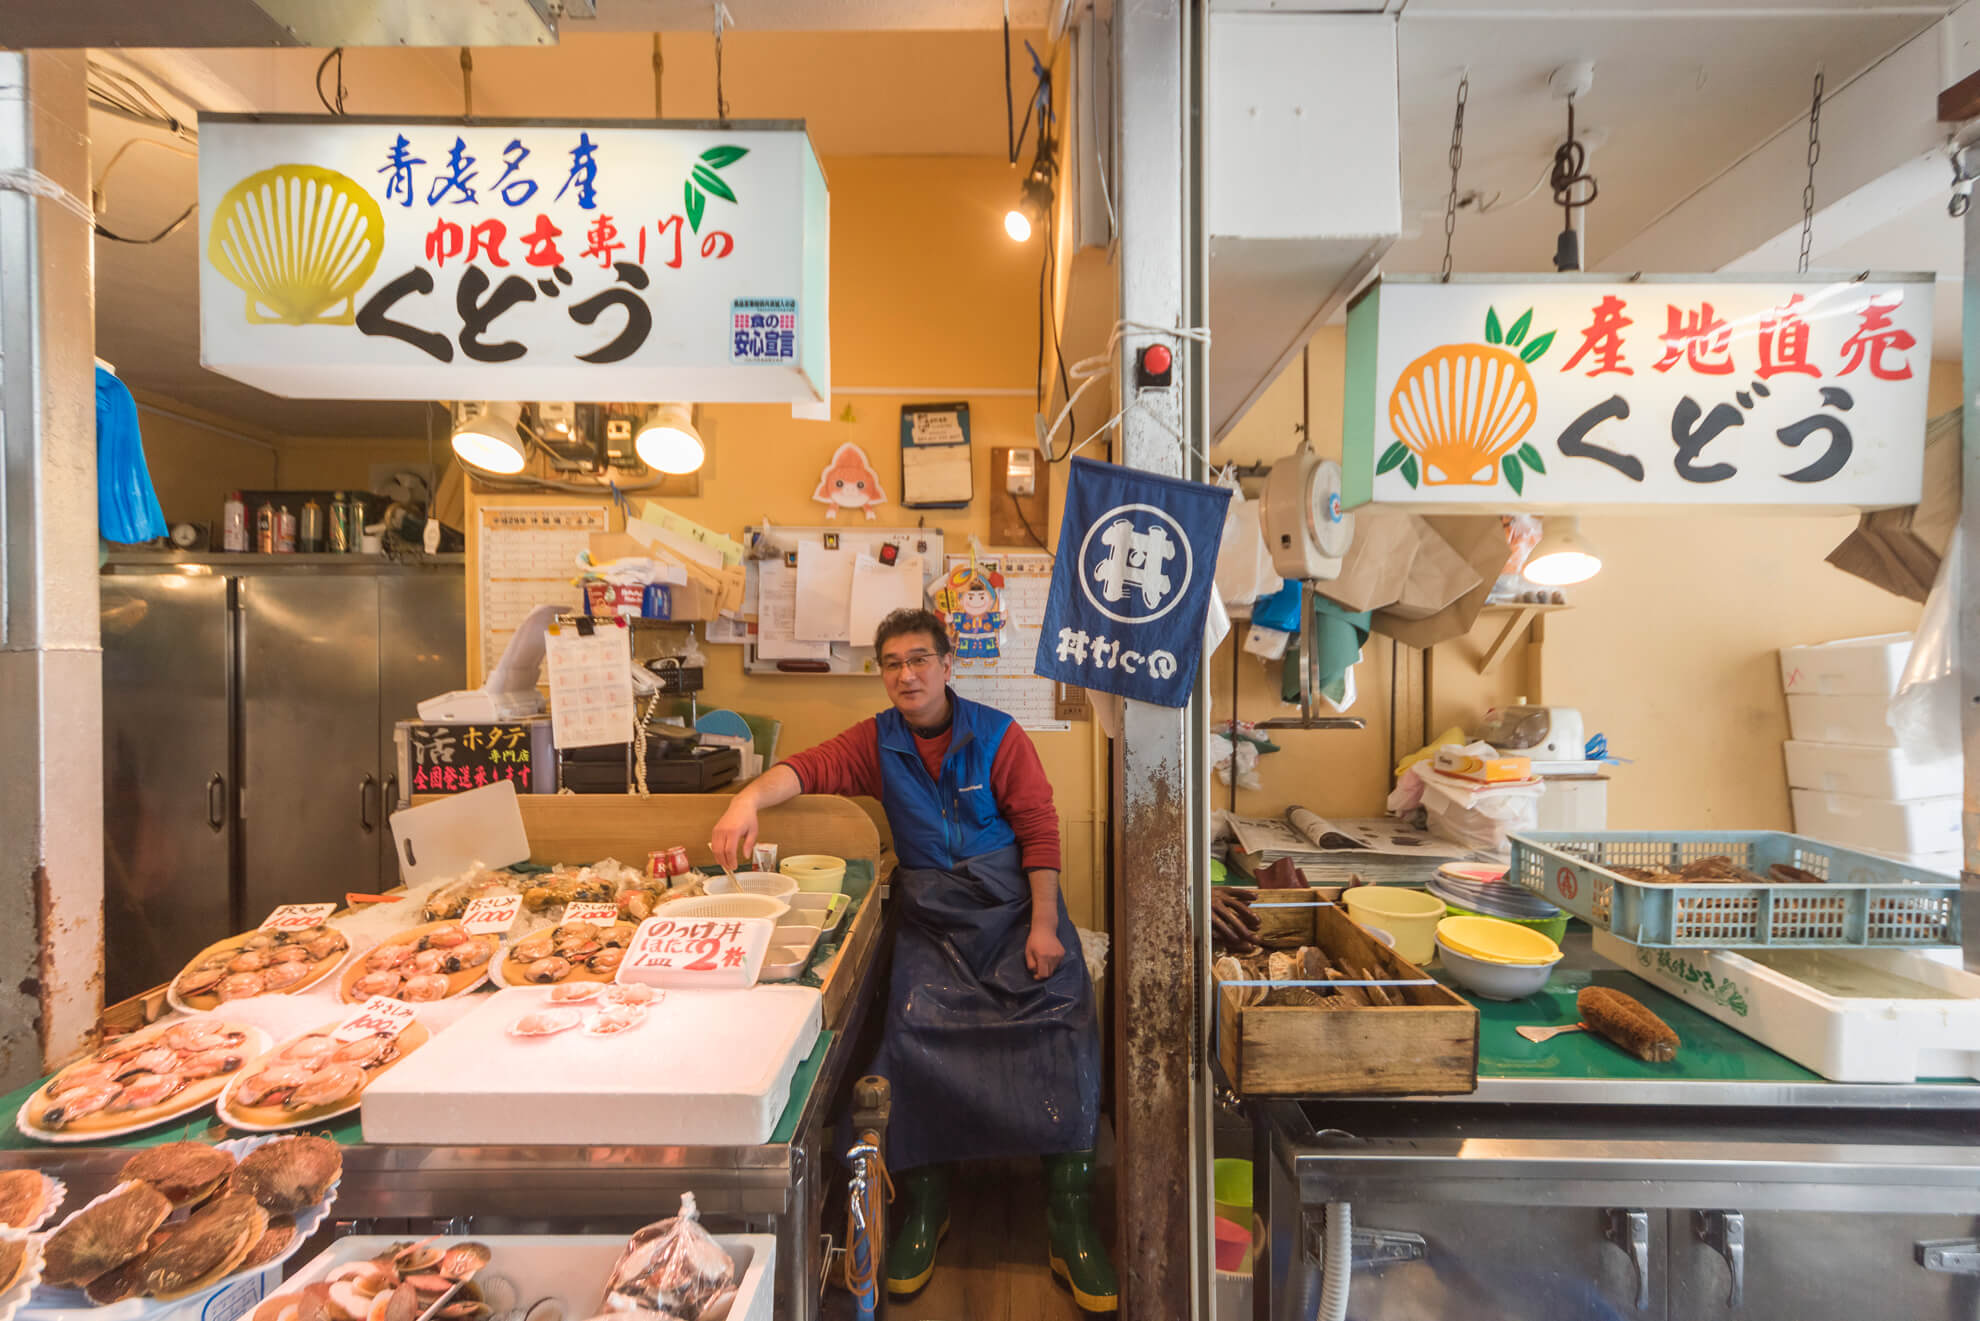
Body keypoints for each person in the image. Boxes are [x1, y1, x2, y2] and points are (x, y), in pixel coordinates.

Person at [711, 608, 1113, 1311]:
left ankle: (1067, 1212)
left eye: (920, 659)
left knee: (1067, 1016)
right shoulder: (876, 740)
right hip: (932, 919)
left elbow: (1040, 827)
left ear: (949, 663)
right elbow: (805, 768)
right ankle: (925, 1204)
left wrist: (1046, 923)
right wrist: (745, 801)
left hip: (1015, 910)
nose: (907, 674)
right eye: (893, 663)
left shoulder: (999, 734)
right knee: (908, 1029)